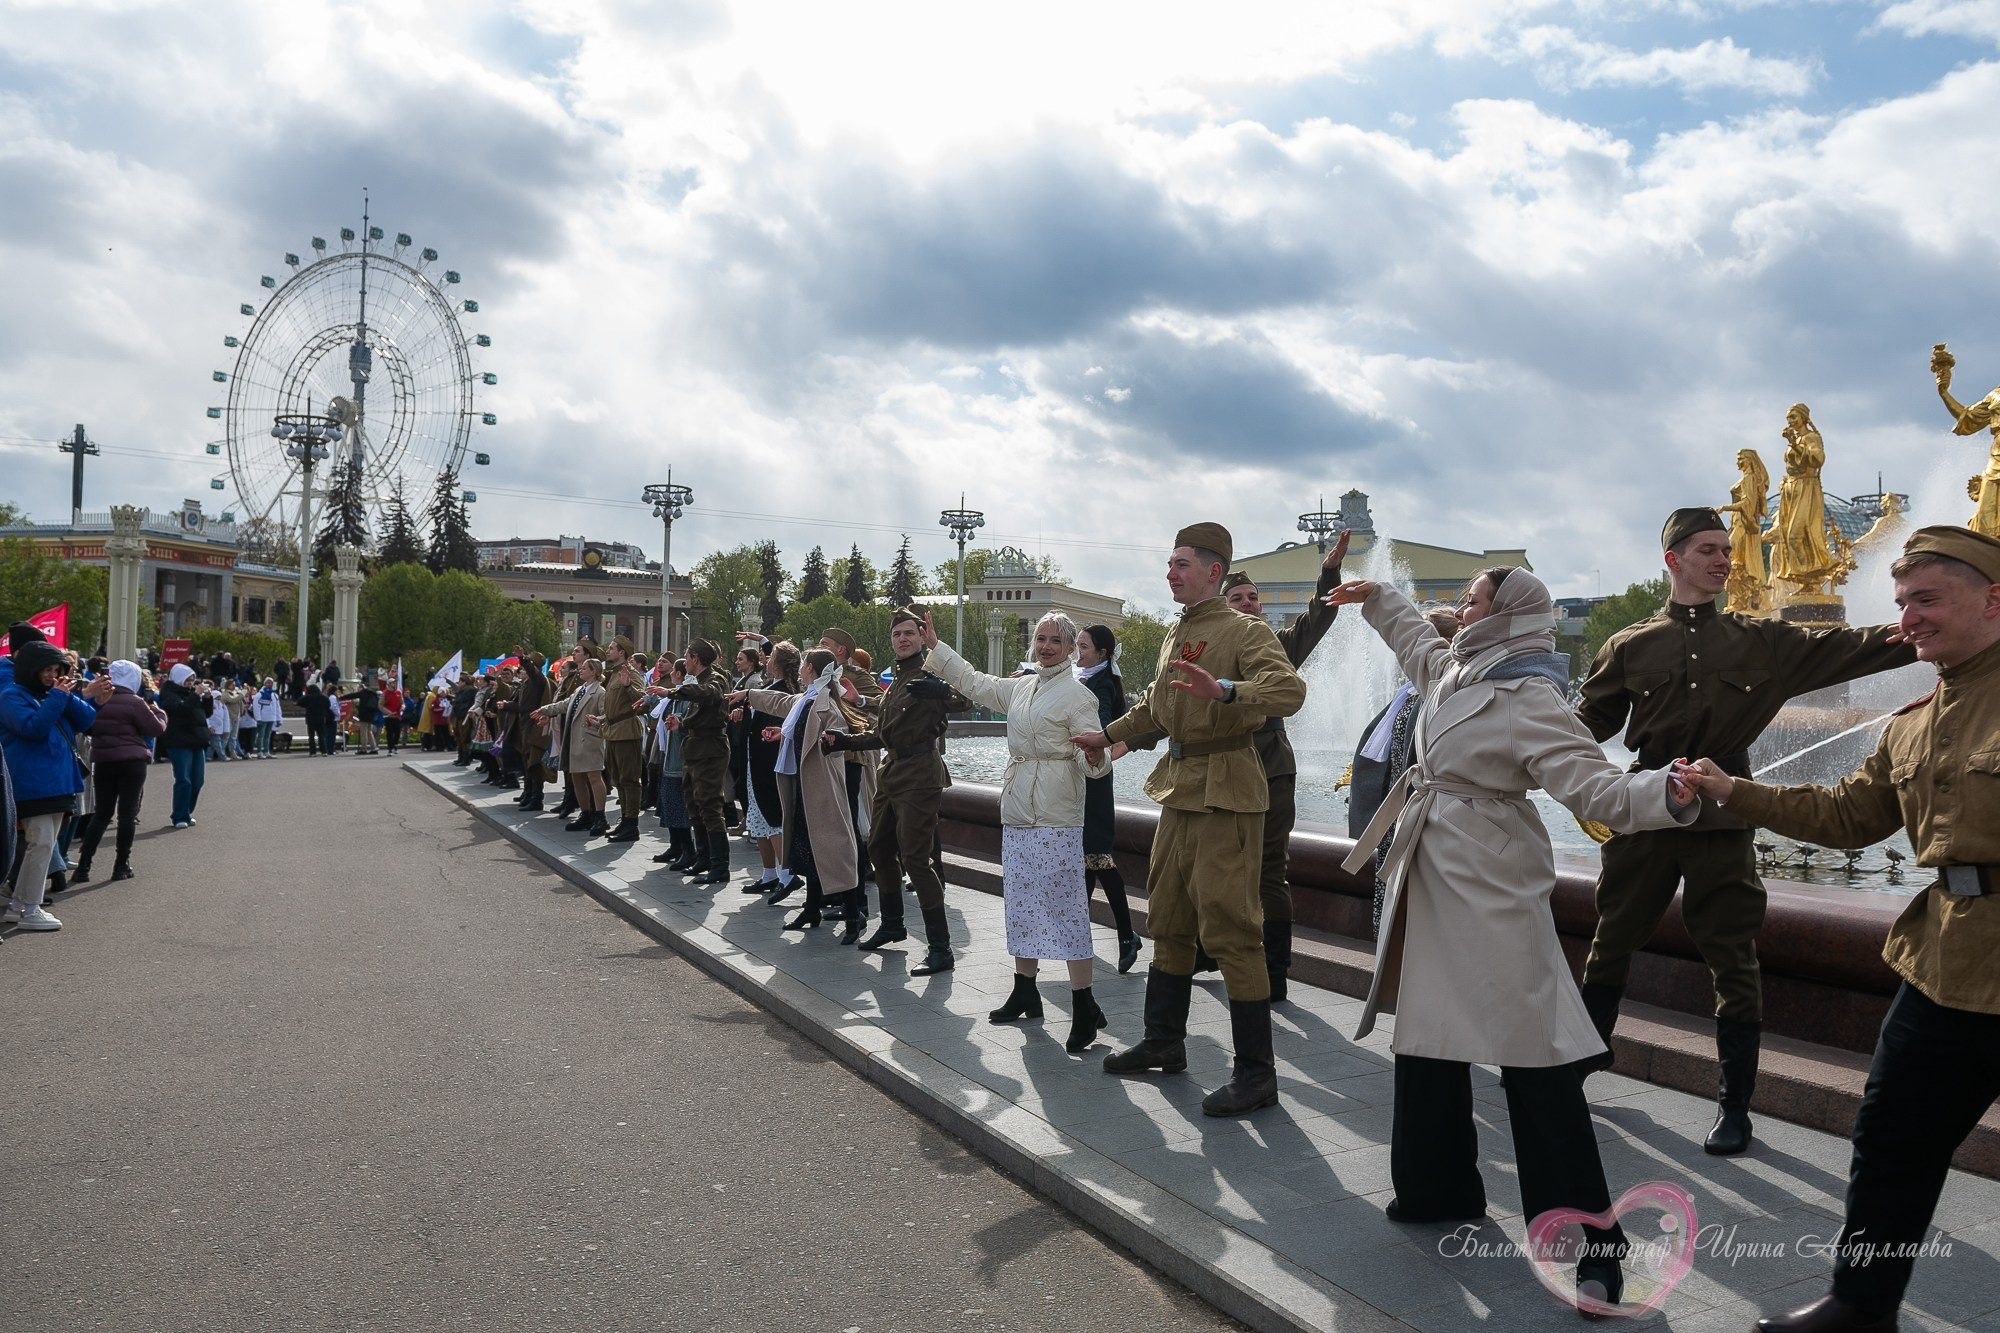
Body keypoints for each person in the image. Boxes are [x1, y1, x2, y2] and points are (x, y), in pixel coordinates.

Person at [1326, 566, 1699, 1311]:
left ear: (1508, 613)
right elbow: (1410, 639)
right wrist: (1378, 598)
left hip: (1492, 882)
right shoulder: (1457, 669)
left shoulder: (1530, 695)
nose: (1459, 611)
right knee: (1426, 1035)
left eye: (1472, 600)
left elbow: (1593, 787)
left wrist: (1667, 790)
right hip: (1433, 870)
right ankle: (1437, 1189)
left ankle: (1591, 1247)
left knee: (1536, 1054)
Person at [1677, 526, 2000, 1333]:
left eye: (1926, 599)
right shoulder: (1915, 719)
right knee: (1891, 1138)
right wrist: (1732, 791)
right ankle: (1861, 1306)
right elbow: (1849, 815)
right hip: (1946, 960)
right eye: (1901, 603)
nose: (1908, 619)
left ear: (1995, 598)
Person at [1577, 507, 1917, 1156]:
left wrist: (1925, 619)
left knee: (1733, 957)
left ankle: (1735, 1108)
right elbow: (1575, 733)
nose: (1724, 559)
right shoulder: (1630, 645)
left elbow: (1855, 646)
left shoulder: (1762, 642)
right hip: (1647, 810)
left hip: (1724, 817)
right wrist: (1576, 790)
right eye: (1708, 549)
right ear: (1673, 559)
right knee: (1611, 938)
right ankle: (1580, 1068)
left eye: (1727, 549)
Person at [1072, 522, 1307, 1116]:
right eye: (1169, 563)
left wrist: (1226, 690)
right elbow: (1156, 706)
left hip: (1227, 791)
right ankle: (1164, 1041)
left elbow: (1287, 691)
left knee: (1230, 927)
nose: (1170, 572)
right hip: (1180, 793)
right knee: (1170, 918)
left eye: (1181, 564)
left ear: (1213, 572)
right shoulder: (1180, 631)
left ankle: (1257, 1075)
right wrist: (1107, 735)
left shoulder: (1242, 630)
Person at [925, 611, 1114, 1047]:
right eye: (1041, 638)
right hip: (1018, 811)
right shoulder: (1024, 686)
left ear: (1071, 649)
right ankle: (1026, 990)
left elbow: (1098, 759)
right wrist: (936, 648)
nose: (1046, 646)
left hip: (1056, 815)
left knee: (1064, 909)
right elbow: (974, 682)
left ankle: (1084, 1004)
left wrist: (1094, 756)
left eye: (1055, 640)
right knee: (1022, 904)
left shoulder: (1078, 695)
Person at [1216, 526, 1349, 1000]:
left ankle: (1276, 970)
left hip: (1270, 766)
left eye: (1254, 597)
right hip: (1220, 772)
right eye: (1240, 598)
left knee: (1271, 868)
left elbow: (1317, 618)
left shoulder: (1276, 647)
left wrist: (1328, 573)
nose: (1252, 603)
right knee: (1217, 864)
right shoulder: (1205, 649)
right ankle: (1207, 950)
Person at [824, 607, 971, 974]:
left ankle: (941, 948)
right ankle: (892, 925)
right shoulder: (900, 678)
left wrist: (943, 690)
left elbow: (966, 699)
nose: (902, 639)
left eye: (909, 633)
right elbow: (884, 733)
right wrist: (844, 740)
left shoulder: (929, 672)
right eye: (897, 634)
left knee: (917, 859)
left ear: (923, 637)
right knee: (878, 847)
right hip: (893, 770)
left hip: (920, 774)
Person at [739, 649, 865, 936]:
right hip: (803, 785)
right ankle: (811, 908)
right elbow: (782, 703)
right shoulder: (808, 697)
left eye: (804, 666)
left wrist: (827, 741)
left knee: (835, 849)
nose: (799, 670)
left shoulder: (826, 703)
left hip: (821, 788)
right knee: (808, 848)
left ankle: (854, 913)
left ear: (809, 667)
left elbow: (837, 735)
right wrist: (771, 722)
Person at [1, 635, 106, 929]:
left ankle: (20, 904)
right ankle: (29, 908)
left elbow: (87, 720)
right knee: (42, 843)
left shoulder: (53, 693)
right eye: (46, 670)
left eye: (57, 670)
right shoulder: (12, 695)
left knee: (44, 845)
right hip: (33, 782)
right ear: (29, 669)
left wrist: (67, 695)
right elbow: (32, 728)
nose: (52, 675)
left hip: (58, 781)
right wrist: (58, 698)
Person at [1075, 624, 1141, 973]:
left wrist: (1093, 741)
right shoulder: (1086, 678)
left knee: (1097, 856)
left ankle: (1127, 934)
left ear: (1102, 653)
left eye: (1083, 646)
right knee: (1087, 859)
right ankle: (1082, 936)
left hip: (1093, 780)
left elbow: (1101, 725)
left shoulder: (1101, 683)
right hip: (1082, 778)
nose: (1077, 651)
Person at [72, 659, 166, 882]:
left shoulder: (98, 700)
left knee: (102, 815)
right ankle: (121, 864)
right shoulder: (135, 702)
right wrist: (160, 713)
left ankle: (84, 865)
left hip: (104, 760)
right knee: (127, 814)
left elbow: (88, 727)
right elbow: (155, 729)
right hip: (132, 761)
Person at [661, 639, 733, 879]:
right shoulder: (700, 681)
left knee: (710, 807)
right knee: (694, 805)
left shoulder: (715, 679)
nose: (685, 660)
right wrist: (681, 724)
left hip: (710, 749)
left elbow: (710, 695)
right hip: (696, 747)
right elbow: (701, 714)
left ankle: (720, 865)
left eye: (687, 655)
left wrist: (672, 690)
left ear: (696, 658)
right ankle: (703, 858)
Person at [740, 642, 798, 897]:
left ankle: (787, 875)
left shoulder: (784, 691)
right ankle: (769, 873)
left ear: (780, 663)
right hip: (757, 760)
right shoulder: (771, 687)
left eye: (771, 656)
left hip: (770, 762)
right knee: (759, 817)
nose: (766, 658)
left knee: (773, 816)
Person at [598, 637, 649, 842]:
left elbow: (643, 701)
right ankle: (625, 819)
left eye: (611, 648)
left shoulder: (630, 674)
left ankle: (631, 824)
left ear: (622, 653)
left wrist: (628, 686)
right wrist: (600, 719)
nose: (608, 651)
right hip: (613, 731)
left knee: (629, 779)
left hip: (627, 731)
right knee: (618, 779)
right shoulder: (613, 674)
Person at [647, 659, 694, 867]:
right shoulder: (674, 696)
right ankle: (675, 846)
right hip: (667, 757)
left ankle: (687, 849)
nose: (672, 674)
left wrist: (678, 720)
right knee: (668, 805)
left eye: (675, 669)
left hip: (678, 759)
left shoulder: (686, 697)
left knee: (678, 807)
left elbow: (687, 720)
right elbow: (658, 708)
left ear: (679, 674)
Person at [159, 663, 212, 827]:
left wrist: (208, 700)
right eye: (187, 680)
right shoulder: (169, 693)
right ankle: (180, 816)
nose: (190, 684)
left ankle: (187, 811)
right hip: (179, 741)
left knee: (198, 780)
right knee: (184, 779)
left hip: (197, 740)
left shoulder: (190, 694)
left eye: (192, 680)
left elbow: (205, 713)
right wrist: (196, 695)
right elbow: (181, 710)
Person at [562, 659, 610, 836]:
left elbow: (607, 714)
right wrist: (544, 710)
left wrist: (597, 720)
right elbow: (565, 704)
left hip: (590, 740)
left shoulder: (600, 692)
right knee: (577, 778)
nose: (580, 671)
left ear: (594, 672)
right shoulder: (579, 690)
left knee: (594, 777)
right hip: (575, 740)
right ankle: (586, 814)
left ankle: (600, 816)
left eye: (584, 669)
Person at [251, 678, 283, 757]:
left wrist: (279, 718)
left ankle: (266, 751)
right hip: (263, 718)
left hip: (271, 718)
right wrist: (258, 718)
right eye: (268, 683)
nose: (269, 684)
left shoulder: (274, 695)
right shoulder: (260, 695)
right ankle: (259, 752)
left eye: (271, 683)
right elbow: (256, 708)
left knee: (267, 736)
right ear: (265, 683)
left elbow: (277, 708)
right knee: (261, 735)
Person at [302, 682, 332, 756]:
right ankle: (324, 751)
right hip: (321, 718)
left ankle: (313, 752)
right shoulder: (323, 697)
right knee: (321, 735)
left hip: (310, 718)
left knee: (311, 736)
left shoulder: (308, 697)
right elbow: (328, 704)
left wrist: (306, 705)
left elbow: (299, 702)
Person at [380, 677, 405, 755]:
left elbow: (402, 703)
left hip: (397, 716)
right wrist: (387, 712)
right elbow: (380, 705)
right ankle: (390, 749)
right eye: (392, 683)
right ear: (389, 684)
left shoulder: (398, 692)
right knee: (390, 733)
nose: (394, 684)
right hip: (389, 717)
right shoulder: (385, 693)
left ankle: (395, 746)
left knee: (397, 732)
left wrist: (403, 707)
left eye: (395, 683)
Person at [205, 686, 232, 761]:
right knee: (217, 743)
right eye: (217, 698)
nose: (219, 699)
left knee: (213, 743)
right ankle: (222, 756)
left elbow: (225, 718)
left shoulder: (222, 706)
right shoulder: (209, 705)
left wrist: (226, 728)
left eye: (220, 697)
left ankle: (208, 756)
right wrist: (209, 726)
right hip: (212, 727)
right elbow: (206, 716)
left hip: (220, 727)